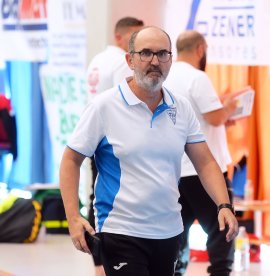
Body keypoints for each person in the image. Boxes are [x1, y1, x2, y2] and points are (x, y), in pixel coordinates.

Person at [60, 26, 239, 276]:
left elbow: (206, 162)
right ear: (129, 59)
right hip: (121, 230)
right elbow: (70, 159)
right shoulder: (104, 106)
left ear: (170, 60)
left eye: (162, 54)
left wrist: (223, 205)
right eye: (145, 53)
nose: (155, 61)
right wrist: (73, 217)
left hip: (168, 231)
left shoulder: (181, 108)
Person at [164, 30, 237, 276]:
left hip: (174, 169)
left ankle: (177, 271)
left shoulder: (166, 76)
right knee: (221, 229)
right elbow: (214, 117)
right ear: (200, 49)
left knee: (177, 232)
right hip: (204, 169)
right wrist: (228, 108)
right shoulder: (197, 77)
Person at [85, 16, 144, 276]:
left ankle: (99, 265)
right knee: (112, 201)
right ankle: (109, 263)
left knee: (96, 197)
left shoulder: (97, 60)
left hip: (97, 138)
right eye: (134, 36)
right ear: (119, 37)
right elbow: (130, 99)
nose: (137, 42)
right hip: (116, 143)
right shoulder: (122, 62)